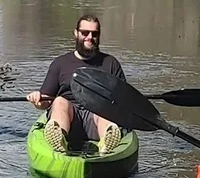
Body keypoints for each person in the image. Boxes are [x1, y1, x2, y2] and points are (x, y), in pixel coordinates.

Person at [26, 15, 126, 154]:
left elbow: (124, 101)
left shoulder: (110, 63)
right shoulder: (60, 63)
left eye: (94, 34)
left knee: (104, 104)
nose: (89, 37)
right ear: (76, 33)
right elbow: (45, 102)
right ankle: (59, 137)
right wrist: (37, 99)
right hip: (69, 121)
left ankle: (107, 141)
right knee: (60, 101)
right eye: (85, 33)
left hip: (97, 121)